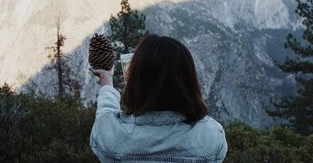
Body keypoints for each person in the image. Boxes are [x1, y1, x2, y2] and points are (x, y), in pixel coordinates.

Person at [89, 34, 227, 163]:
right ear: (188, 81)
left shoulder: (111, 139)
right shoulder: (211, 137)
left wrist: (106, 78)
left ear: (136, 81)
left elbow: (105, 116)